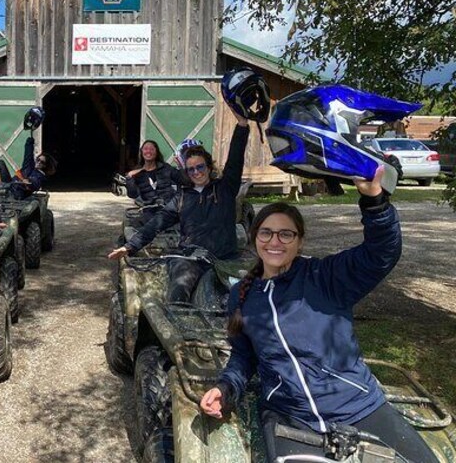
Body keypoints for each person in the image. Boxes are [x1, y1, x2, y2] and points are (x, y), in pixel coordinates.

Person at [200, 166, 437, 463]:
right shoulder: (242, 295)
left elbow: (382, 252)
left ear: (300, 241)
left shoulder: (325, 276)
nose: (275, 241)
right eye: (266, 233)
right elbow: (244, 356)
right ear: (254, 239)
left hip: (358, 405)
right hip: (289, 415)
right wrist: (225, 388)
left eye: (286, 234)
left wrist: (374, 202)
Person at [108, 110, 251, 302]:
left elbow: (235, 159)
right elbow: (156, 224)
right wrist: (129, 247)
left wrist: (242, 125)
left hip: (226, 259)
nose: (196, 172)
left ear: (208, 167)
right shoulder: (181, 198)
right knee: (179, 291)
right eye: (191, 169)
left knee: (245, 298)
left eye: (200, 167)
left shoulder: (225, 189)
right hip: (192, 259)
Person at [0, 135, 57, 200]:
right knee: (0, 163)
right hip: (10, 184)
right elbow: (28, 156)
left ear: (45, 166)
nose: (38, 162)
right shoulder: (30, 167)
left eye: (42, 162)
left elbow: (35, 183)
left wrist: (29, 181)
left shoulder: (40, 176)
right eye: (38, 159)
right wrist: (29, 143)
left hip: (17, 192)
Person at [124, 140, 179, 205]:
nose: (148, 151)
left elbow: (183, 180)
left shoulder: (165, 168)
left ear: (156, 152)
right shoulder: (137, 173)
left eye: (152, 149)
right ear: (142, 152)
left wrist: (181, 165)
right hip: (149, 209)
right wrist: (129, 176)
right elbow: (132, 194)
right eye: (145, 149)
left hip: (168, 208)